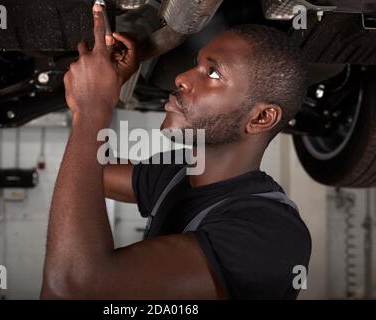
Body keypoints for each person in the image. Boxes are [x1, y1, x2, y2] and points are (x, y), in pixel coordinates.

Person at [41, 3, 311, 300]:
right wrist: (109, 84)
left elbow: (72, 288)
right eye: (196, 64)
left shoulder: (269, 233)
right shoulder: (177, 176)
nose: (181, 77)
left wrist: (92, 110)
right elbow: (83, 175)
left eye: (214, 73)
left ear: (261, 118)